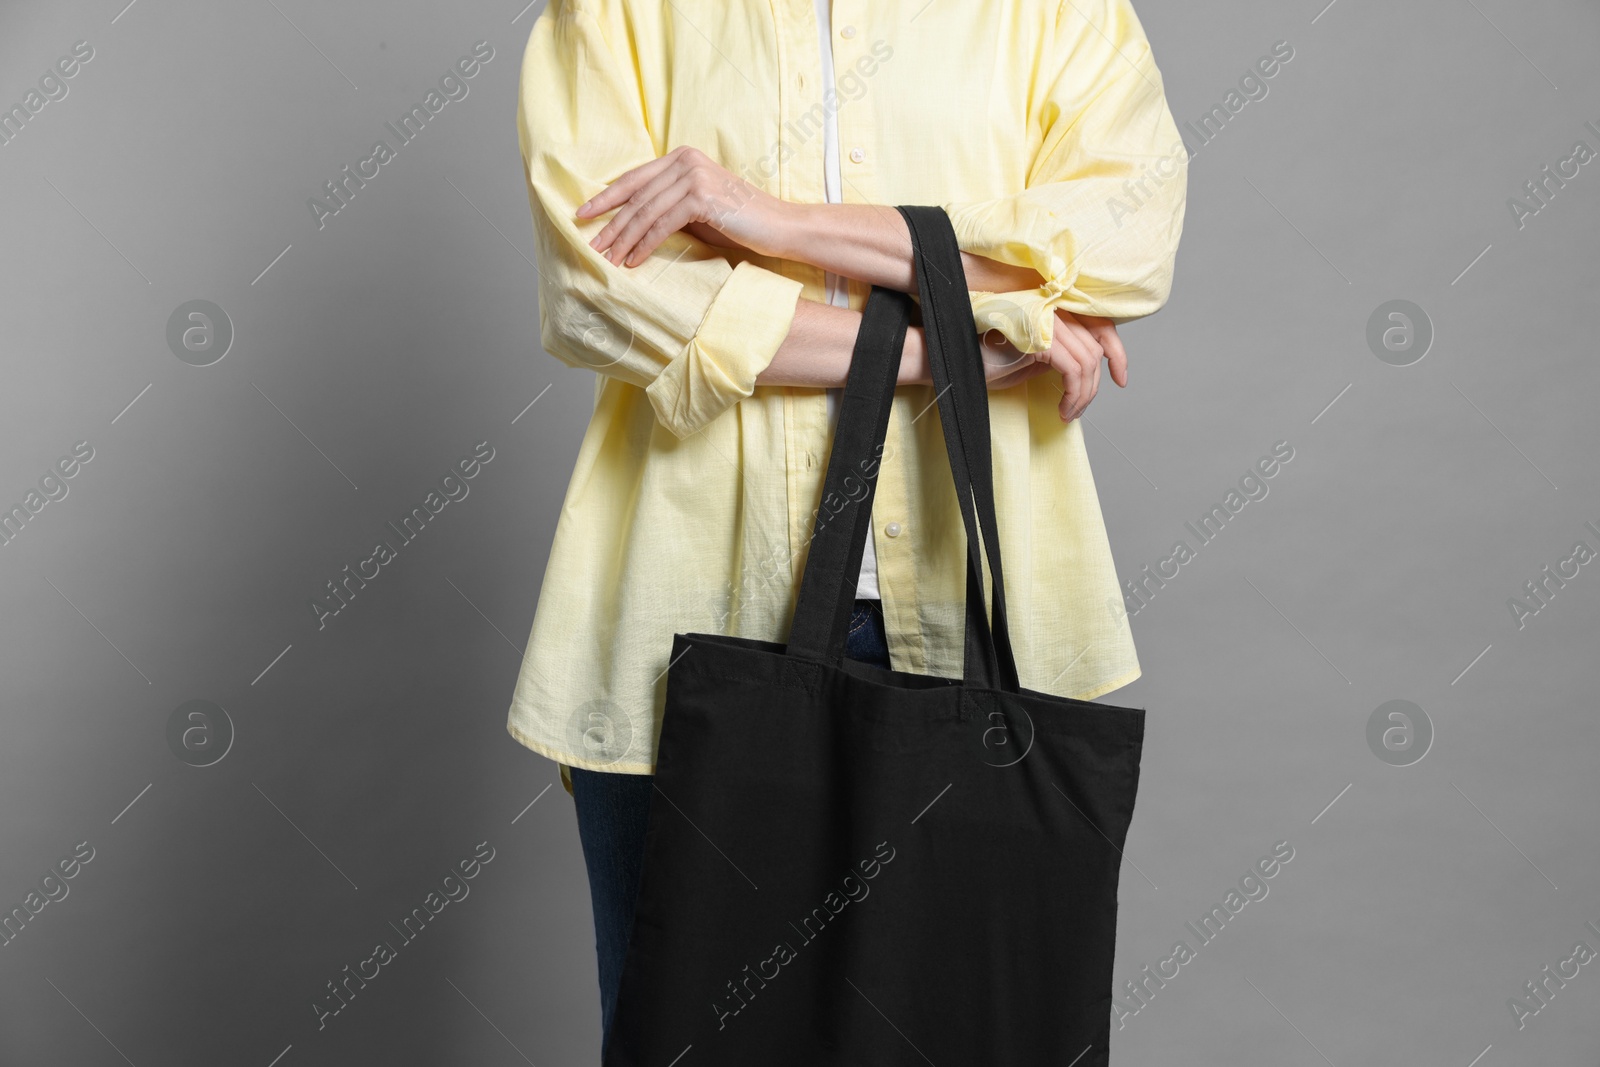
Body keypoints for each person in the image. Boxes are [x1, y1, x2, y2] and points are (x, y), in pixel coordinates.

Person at [508, 0, 1186, 1055]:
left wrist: (758, 219)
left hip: (983, 621)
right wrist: (946, 352)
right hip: (680, 620)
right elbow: (598, 289)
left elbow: (1117, 241)